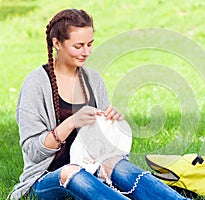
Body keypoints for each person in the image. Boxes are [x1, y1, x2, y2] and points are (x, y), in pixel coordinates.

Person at [9, 9, 190, 200]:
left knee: (116, 164)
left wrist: (113, 122)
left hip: (92, 168)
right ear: (57, 44)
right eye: (78, 46)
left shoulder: (93, 80)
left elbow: (105, 146)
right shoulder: (36, 83)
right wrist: (70, 123)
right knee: (71, 171)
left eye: (90, 44)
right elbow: (33, 151)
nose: (86, 52)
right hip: (47, 180)